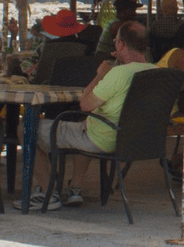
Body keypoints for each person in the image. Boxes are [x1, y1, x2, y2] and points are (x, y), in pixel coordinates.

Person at [16, 21, 154, 211]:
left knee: (25, 128)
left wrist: (100, 75)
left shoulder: (118, 74)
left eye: (115, 42)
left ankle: (48, 192)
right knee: (85, 123)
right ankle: (75, 188)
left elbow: (85, 104)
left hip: (102, 138)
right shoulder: (157, 72)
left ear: (121, 45)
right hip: (135, 140)